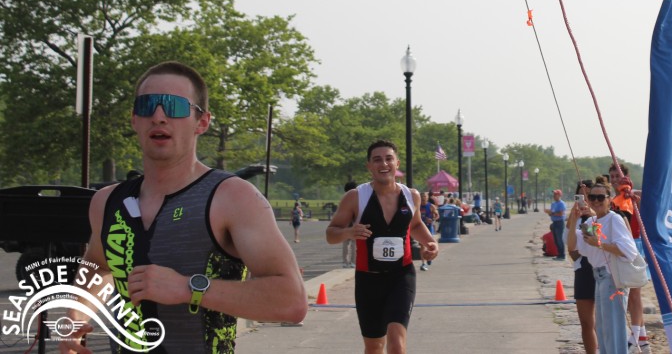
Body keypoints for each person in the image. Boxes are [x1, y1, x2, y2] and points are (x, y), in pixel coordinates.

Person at [60, 61, 308, 353]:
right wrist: (76, 315)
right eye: (147, 106)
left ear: (202, 122)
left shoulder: (233, 197)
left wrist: (189, 288)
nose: (158, 116)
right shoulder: (106, 201)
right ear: (134, 120)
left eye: (174, 106)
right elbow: (99, 267)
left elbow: (291, 301)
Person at [326, 140, 439, 354]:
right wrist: (349, 232)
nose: (384, 164)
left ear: (397, 163)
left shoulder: (411, 196)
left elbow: (415, 225)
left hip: (401, 276)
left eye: (389, 159)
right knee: (374, 346)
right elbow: (331, 234)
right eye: (377, 160)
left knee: (397, 344)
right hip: (368, 279)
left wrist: (431, 243)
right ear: (369, 166)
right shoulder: (355, 197)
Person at [567, 177, 639, 354]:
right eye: (592, 197)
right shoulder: (590, 223)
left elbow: (629, 251)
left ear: (609, 199)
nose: (596, 201)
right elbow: (573, 247)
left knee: (613, 329)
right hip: (598, 276)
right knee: (603, 329)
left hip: (612, 277)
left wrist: (600, 244)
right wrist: (574, 219)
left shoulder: (614, 219)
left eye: (601, 197)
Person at [609, 161, 651, 353]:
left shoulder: (632, 196)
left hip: (635, 244)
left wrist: (634, 196)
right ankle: (642, 339)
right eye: (612, 177)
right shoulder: (614, 200)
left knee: (634, 293)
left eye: (617, 176)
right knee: (631, 293)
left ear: (625, 177)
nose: (615, 180)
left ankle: (634, 338)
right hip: (622, 246)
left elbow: (646, 207)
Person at [565, 179, 597, 354]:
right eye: (581, 195)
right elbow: (569, 245)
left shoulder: (602, 215)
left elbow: (594, 241)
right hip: (582, 268)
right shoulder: (574, 215)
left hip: (600, 269)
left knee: (603, 320)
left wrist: (591, 215)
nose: (585, 199)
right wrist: (574, 217)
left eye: (589, 195)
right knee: (586, 322)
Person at [544, 188, 567, 260]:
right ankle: (558, 254)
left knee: (560, 239)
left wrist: (552, 213)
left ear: (559, 195)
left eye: (556, 194)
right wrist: (549, 212)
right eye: (554, 194)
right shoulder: (553, 204)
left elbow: (561, 213)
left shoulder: (561, 204)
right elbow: (552, 213)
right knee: (556, 240)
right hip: (554, 222)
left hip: (560, 222)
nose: (554, 196)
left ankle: (562, 255)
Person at [419, 192, 438, 271]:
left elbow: (437, 215)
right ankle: (423, 263)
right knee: (422, 245)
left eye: (425, 196)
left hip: (429, 227)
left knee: (430, 245)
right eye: (422, 196)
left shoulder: (431, 206)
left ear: (427, 197)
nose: (423, 198)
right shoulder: (417, 206)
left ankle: (429, 258)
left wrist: (432, 220)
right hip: (420, 228)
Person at [342, 181, 359, 268]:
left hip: (345, 223)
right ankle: (353, 262)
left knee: (345, 244)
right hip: (354, 223)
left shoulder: (343, 198)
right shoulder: (356, 197)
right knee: (354, 244)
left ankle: (345, 262)